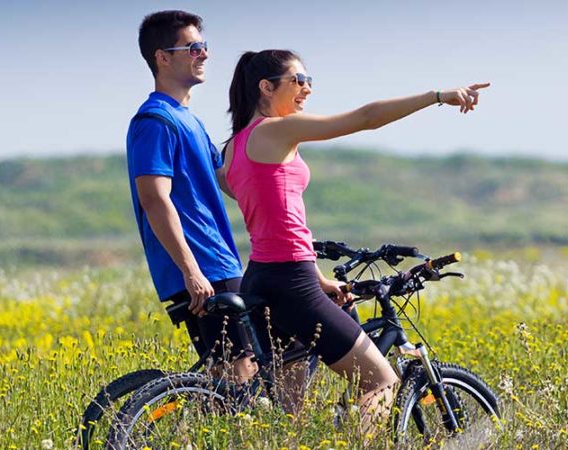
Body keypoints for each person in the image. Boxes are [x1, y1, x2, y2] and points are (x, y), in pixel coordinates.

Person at [222, 49, 488, 434]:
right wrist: (437, 97)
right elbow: (364, 118)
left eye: (309, 81)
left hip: (264, 277)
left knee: (290, 419)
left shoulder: (234, 147)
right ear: (266, 87)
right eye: (298, 80)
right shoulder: (275, 130)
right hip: (291, 283)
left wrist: (318, 276)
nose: (307, 89)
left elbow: (277, 221)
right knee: (381, 382)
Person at [126, 10, 253, 381]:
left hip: (220, 263)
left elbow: (231, 182)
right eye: (193, 47)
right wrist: (191, 270)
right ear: (162, 57)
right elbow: (154, 199)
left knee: (243, 374)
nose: (204, 55)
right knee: (237, 377)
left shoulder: (190, 120)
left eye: (204, 46)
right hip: (203, 270)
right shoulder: (154, 122)